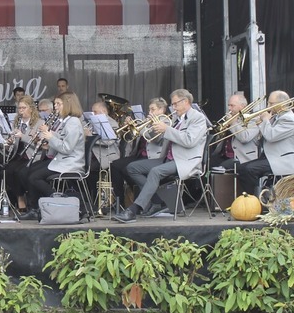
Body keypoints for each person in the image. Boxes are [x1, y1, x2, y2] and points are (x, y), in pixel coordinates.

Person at [116, 89, 208, 223]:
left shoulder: (198, 118)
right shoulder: (177, 118)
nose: (173, 108)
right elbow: (156, 140)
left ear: (186, 102)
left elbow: (190, 141)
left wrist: (167, 129)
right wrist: (152, 128)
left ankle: (133, 210)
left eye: (175, 104)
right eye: (173, 105)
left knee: (155, 171)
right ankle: (158, 201)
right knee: (132, 168)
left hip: (185, 161)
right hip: (168, 158)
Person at [20, 91, 85, 220]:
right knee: (28, 171)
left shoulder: (73, 122)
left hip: (69, 163)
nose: (56, 107)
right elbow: (61, 140)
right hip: (61, 160)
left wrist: (50, 137)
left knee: (34, 178)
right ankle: (36, 208)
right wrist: (48, 139)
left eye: (58, 104)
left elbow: (66, 148)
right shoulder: (66, 121)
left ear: (68, 105)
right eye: (55, 104)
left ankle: (59, 200)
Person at [109, 98, 167, 211]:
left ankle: (147, 199)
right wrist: (130, 127)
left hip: (153, 157)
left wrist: (141, 128)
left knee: (127, 169)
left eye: (153, 109)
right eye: (149, 109)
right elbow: (131, 137)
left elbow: (156, 140)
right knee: (115, 165)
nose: (150, 112)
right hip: (139, 154)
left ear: (161, 109)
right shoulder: (148, 121)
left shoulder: (164, 122)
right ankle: (119, 203)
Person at [237, 90, 294, 195]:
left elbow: (271, 136)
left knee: (249, 170)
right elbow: (262, 140)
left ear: (282, 104)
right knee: (242, 168)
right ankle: (255, 198)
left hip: (282, 160)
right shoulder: (277, 117)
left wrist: (265, 121)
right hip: (271, 157)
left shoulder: (289, 119)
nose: (268, 106)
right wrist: (259, 125)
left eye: (271, 104)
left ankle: (255, 200)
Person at [4, 95, 44, 211]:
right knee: (7, 171)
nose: (21, 111)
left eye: (23, 108)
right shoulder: (17, 122)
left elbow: (39, 144)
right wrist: (10, 142)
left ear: (31, 109)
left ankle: (30, 199)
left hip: (32, 156)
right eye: (19, 108)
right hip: (19, 155)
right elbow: (15, 142)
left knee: (19, 172)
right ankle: (20, 197)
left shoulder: (39, 123)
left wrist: (23, 136)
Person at [209, 93, 260, 171]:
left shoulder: (253, 119)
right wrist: (223, 131)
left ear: (242, 106)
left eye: (232, 105)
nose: (229, 108)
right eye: (228, 105)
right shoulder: (231, 118)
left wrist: (233, 123)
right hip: (224, 155)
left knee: (222, 165)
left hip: (242, 157)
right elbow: (219, 141)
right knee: (207, 163)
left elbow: (245, 138)